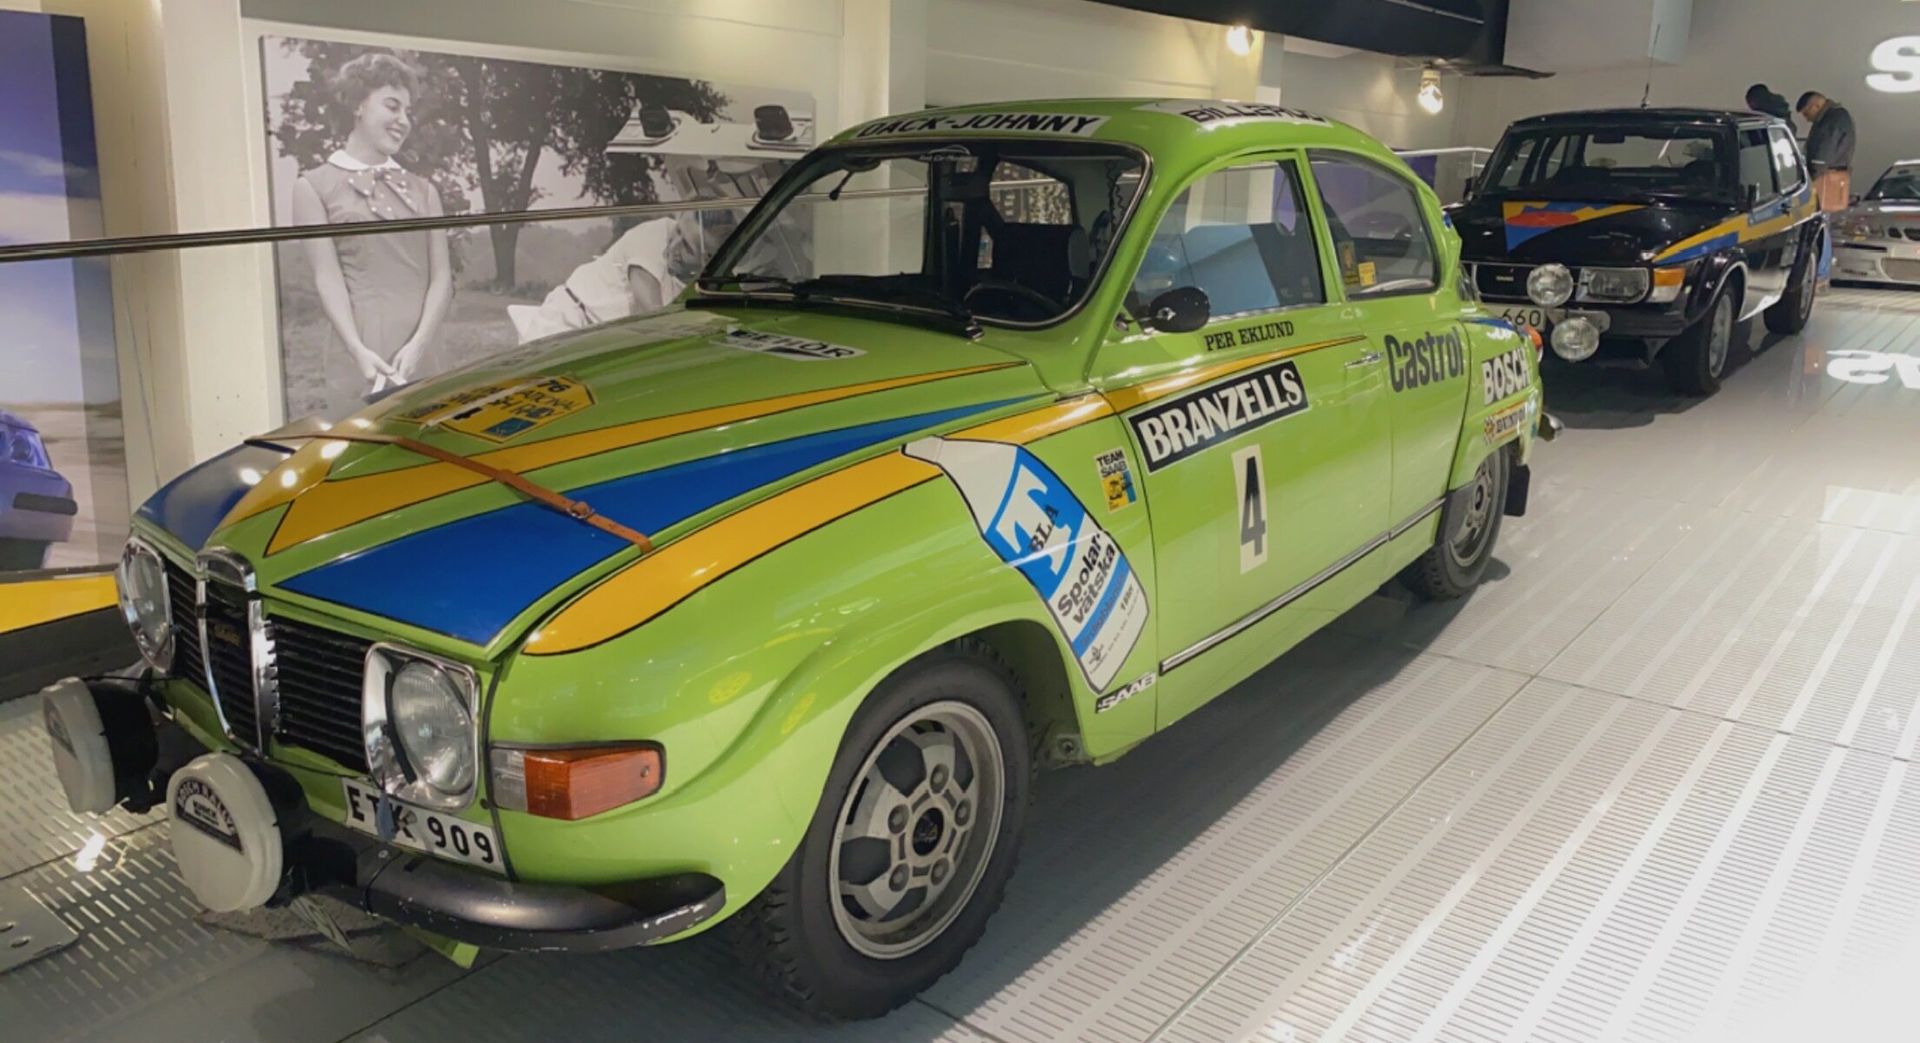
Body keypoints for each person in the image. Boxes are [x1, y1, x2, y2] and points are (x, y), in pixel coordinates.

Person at [291, 51, 451, 406]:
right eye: (392, 106)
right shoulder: (313, 187)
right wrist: (357, 350)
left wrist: (419, 345)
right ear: (358, 105)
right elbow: (327, 277)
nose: (404, 120)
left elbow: (442, 277)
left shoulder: (425, 190)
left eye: (408, 111)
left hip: (424, 349)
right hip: (361, 354)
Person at [507, 214, 694, 343]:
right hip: (569, 320)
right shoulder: (656, 233)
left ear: (707, 256)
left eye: (688, 247)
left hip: (599, 336)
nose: (675, 244)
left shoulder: (700, 274)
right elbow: (653, 316)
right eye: (679, 232)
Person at [1797, 90, 1857, 211]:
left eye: (1806, 113)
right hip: (1830, 176)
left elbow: (1823, 151)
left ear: (1816, 106)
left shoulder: (1832, 119)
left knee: (1824, 217)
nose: (1807, 119)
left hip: (1827, 178)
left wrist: (1812, 177)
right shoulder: (1834, 117)